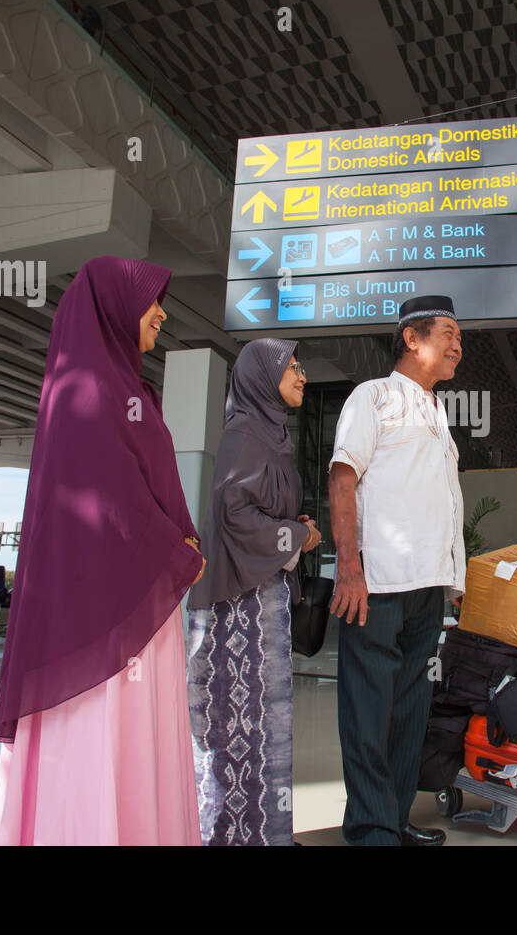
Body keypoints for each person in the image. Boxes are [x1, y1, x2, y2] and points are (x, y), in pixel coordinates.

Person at [0, 256, 205, 846]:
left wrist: (175, 548)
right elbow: (107, 502)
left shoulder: (122, 387)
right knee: (100, 727)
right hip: (104, 608)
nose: (161, 313)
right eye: (150, 300)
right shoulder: (87, 389)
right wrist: (176, 548)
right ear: (113, 306)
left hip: (137, 602)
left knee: (129, 737)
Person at [329, 295, 465, 846]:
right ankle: (369, 828)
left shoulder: (438, 411)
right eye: (449, 333)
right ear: (412, 338)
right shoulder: (373, 397)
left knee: (410, 709)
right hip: (377, 583)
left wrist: (454, 580)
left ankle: (396, 815)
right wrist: (348, 568)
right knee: (368, 709)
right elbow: (343, 479)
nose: (459, 345)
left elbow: (445, 500)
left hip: (428, 586)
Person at [186, 339, 320, 846]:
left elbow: (258, 511)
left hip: (261, 599)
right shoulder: (245, 434)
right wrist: (296, 535)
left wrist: (292, 527)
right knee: (236, 728)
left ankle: (266, 833)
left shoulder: (271, 436)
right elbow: (234, 514)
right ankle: (233, 836)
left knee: (265, 725)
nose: (302, 375)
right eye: (292, 366)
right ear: (263, 377)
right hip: (237, 606)